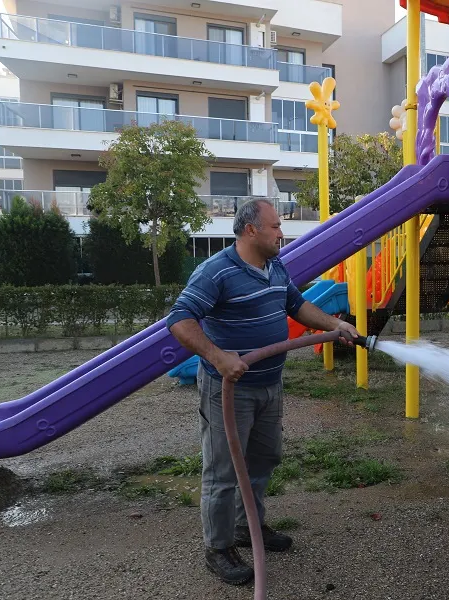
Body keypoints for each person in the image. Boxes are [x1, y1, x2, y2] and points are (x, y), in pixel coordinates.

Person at [166, 198, 359, 585]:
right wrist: (219, 357)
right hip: (230, 389)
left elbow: (297, 305)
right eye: (274, 226)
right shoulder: (216, 272)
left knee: (263, 459)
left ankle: (246, 527)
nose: (280, 233)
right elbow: (179, 320)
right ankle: (218, 548)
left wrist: (334, 325)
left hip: (270, 384)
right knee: (223, 470)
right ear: (251, 229)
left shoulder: (274, 266)